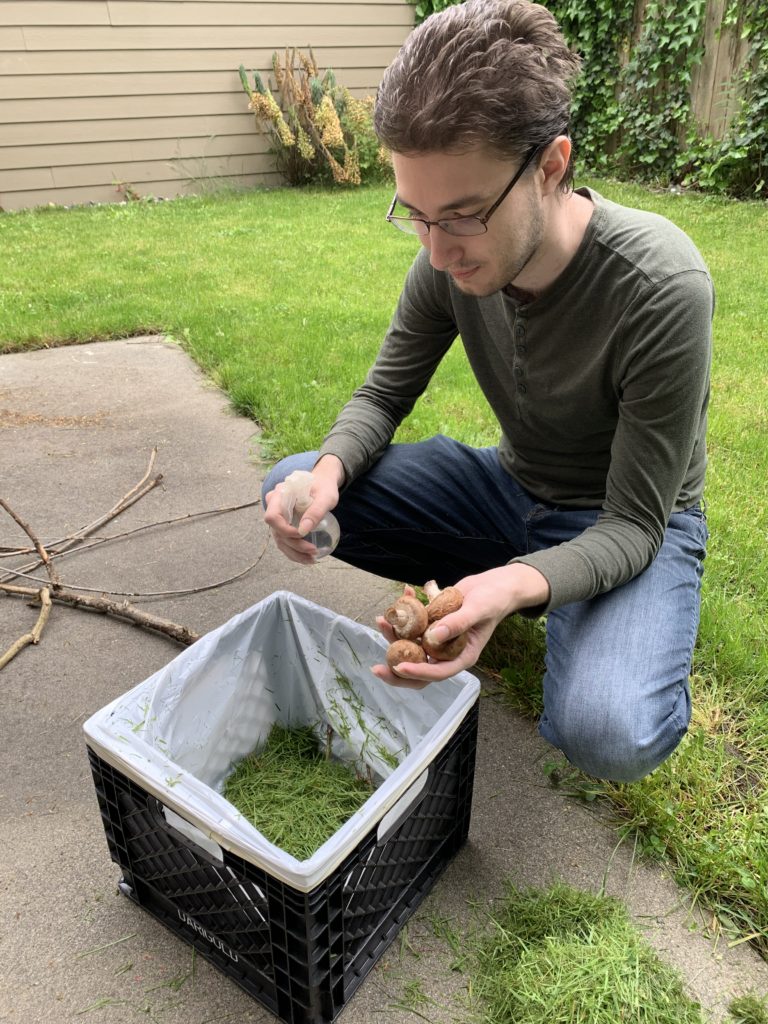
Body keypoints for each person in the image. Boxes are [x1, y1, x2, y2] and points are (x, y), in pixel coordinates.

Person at [262, 0, 712, 783]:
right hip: (508, 491)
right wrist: (327, 474)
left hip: (631, 518)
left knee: (606, 730)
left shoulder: (661, 285)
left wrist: (517, 585)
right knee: (291, 483)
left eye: (463, 216)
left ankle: (614, 623)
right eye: (417, 215)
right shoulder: (447, 260)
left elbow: (638, 523)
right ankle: (532, 581)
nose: (438, 252)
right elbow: (381, 398)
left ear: (551, 166)